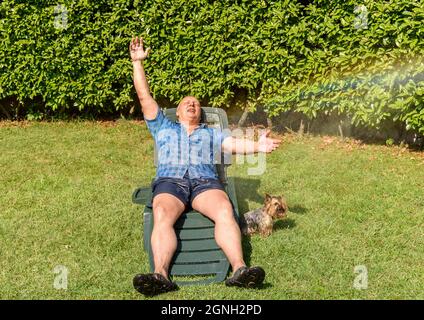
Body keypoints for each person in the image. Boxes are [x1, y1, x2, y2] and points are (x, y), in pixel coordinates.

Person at [129, 36, 281, 296]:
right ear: (177, 112)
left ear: (200, 113)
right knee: (162, 215)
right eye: (186, 102)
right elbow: (144, 97)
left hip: (204, 183)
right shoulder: (162, 127)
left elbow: (234, 143)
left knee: (224, 209)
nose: (192, 104)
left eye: (196, 103)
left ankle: (240, 270)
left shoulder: (211, 133)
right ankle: (161, 275)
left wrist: (258, 146)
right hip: (170, 181)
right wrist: (137, 63)